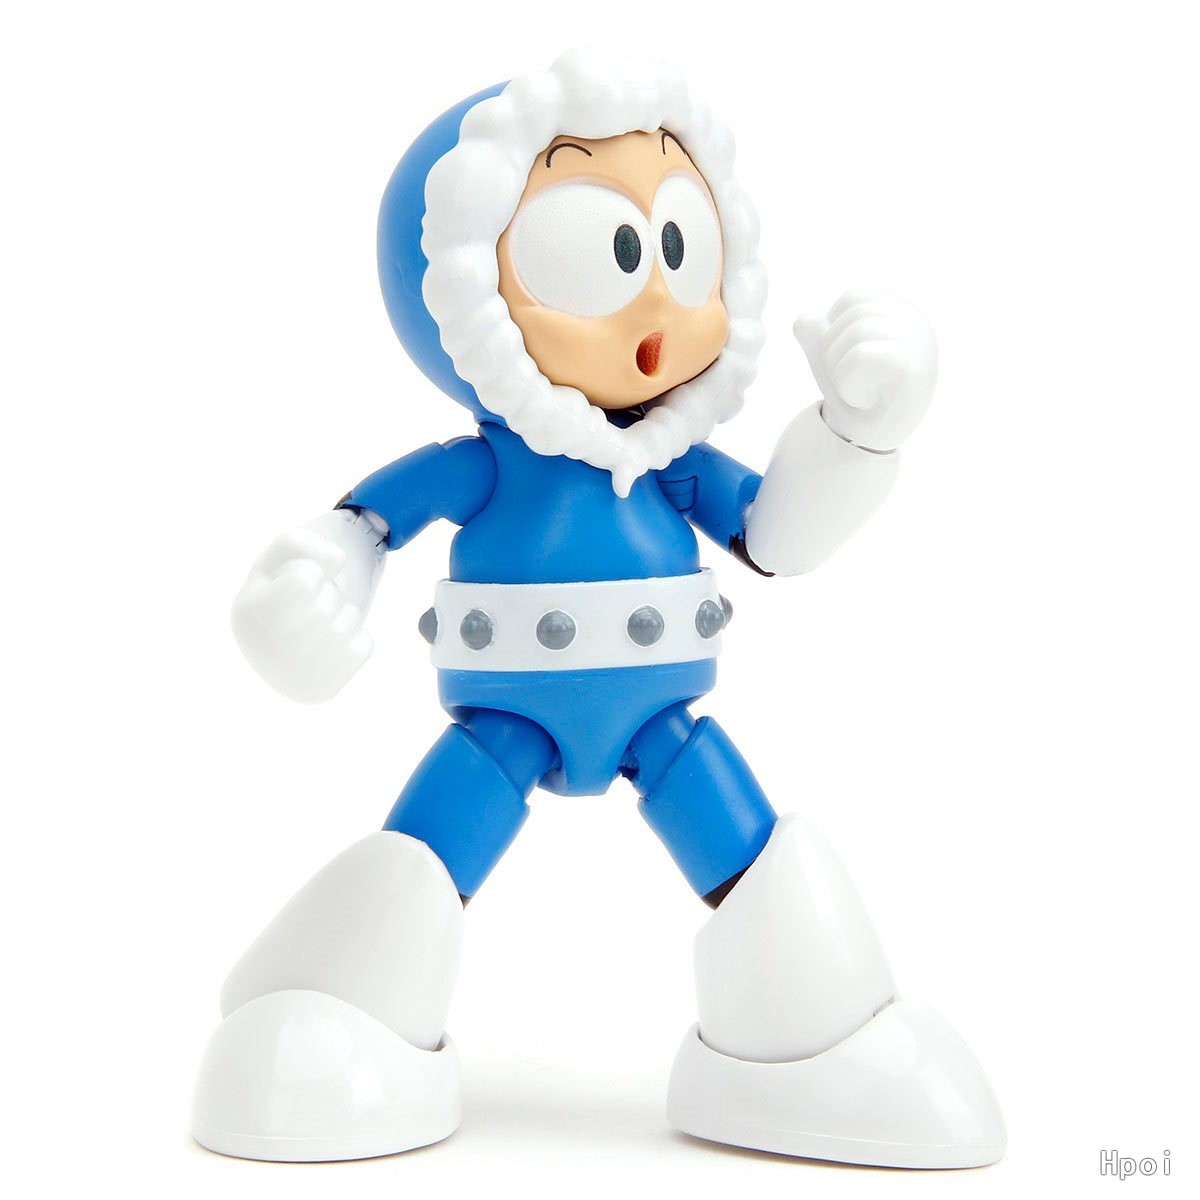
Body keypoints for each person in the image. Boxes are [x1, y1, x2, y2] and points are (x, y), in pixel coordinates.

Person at [192, 47, 1005, 1168]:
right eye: (608, 253)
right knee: (424, 859)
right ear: (464, 293)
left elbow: (776, 535)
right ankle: (340, 1013)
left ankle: (817, 1036)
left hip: (664, 723)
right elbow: (361, 529)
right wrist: (308, 592)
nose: (659, 299)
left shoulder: (672, 461)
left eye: (678, 247)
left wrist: (860, 433)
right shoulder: (484, 464)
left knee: (750, 850)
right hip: (501, 724)